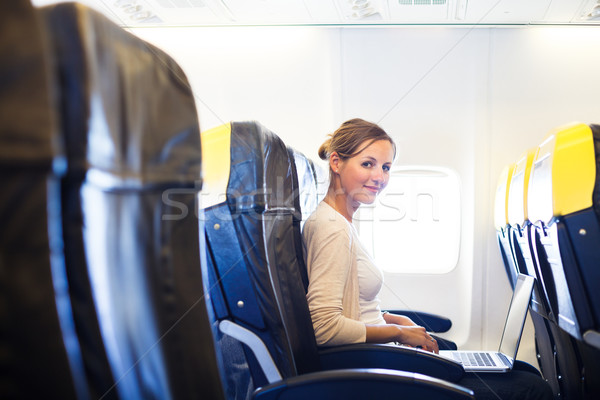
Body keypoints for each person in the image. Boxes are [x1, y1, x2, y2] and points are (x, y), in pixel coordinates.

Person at [302, 118, 553, 400]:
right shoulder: (332, 229)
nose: (380, 177)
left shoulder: (342, 224)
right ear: (336, 162)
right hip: (369, 369)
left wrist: (393, 319)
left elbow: (356, 308)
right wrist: (398, 333)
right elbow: (323, 327)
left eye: (386, 167)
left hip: (377, 358)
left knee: (521, 372)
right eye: (368, 164)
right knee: (532, 388)